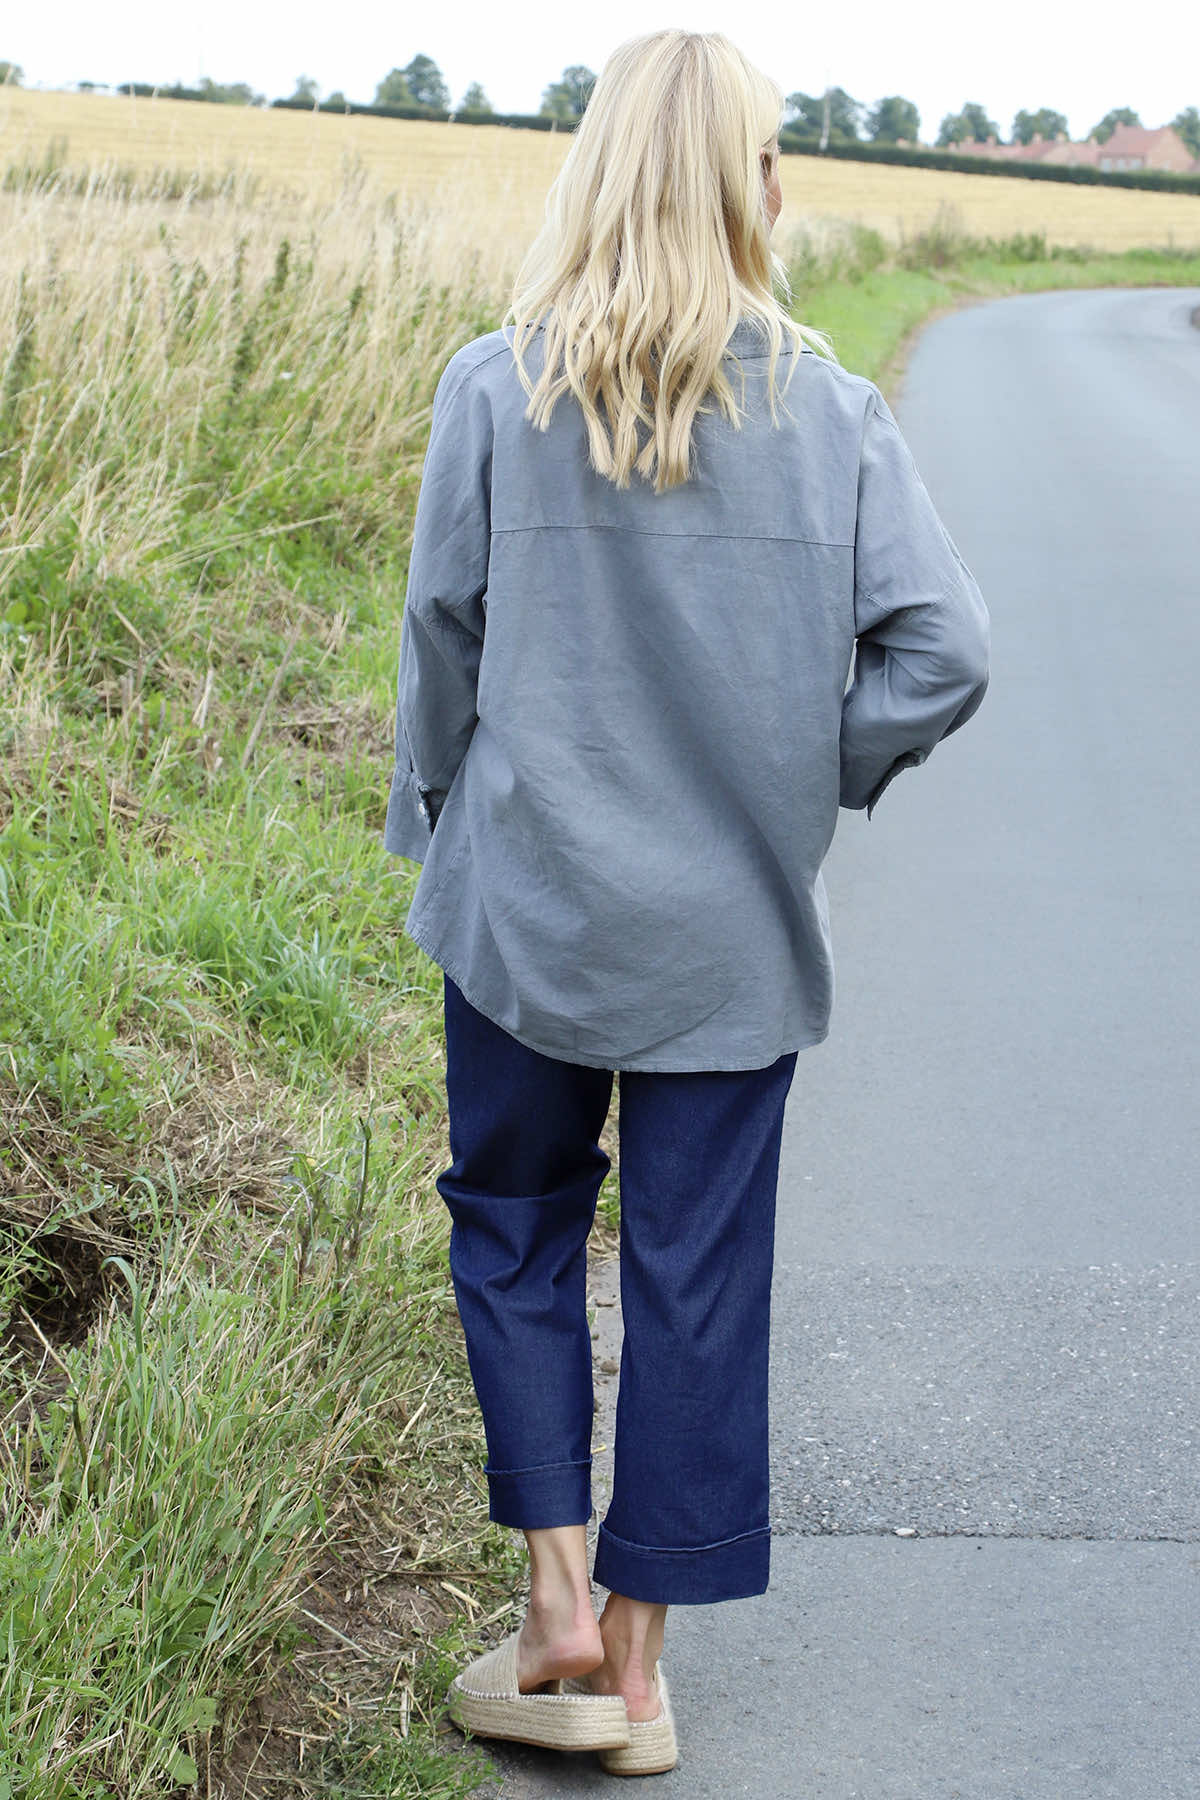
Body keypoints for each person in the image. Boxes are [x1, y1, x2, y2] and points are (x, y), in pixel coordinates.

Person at [382, 27, 989, 1777]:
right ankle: (638, 1680)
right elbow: (946, 649)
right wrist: (815, 766)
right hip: (728, 933)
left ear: (592, 173)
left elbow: (442, 641)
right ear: (755, 186)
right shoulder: (832, 411)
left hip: (527, 919)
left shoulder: (498, 388)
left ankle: (553, 1600)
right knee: (695, 1277)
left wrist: (440, 818)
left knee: (511, 1223)